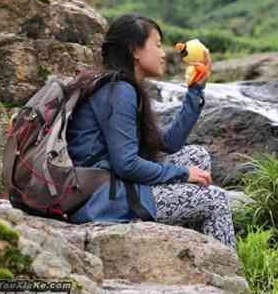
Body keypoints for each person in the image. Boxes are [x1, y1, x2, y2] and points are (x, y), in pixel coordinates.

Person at [65, 14, 237, 249]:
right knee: (216, 200)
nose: (163, 53)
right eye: (156, 45)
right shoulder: (119, 90)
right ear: (134, 50)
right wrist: (182, 174)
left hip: (116, 186)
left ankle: (188, 252)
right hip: (104, 199)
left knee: (196, 156)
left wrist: (195, 91)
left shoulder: (122, 86)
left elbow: (167, 143)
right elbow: (126, 164)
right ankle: (224, 273)